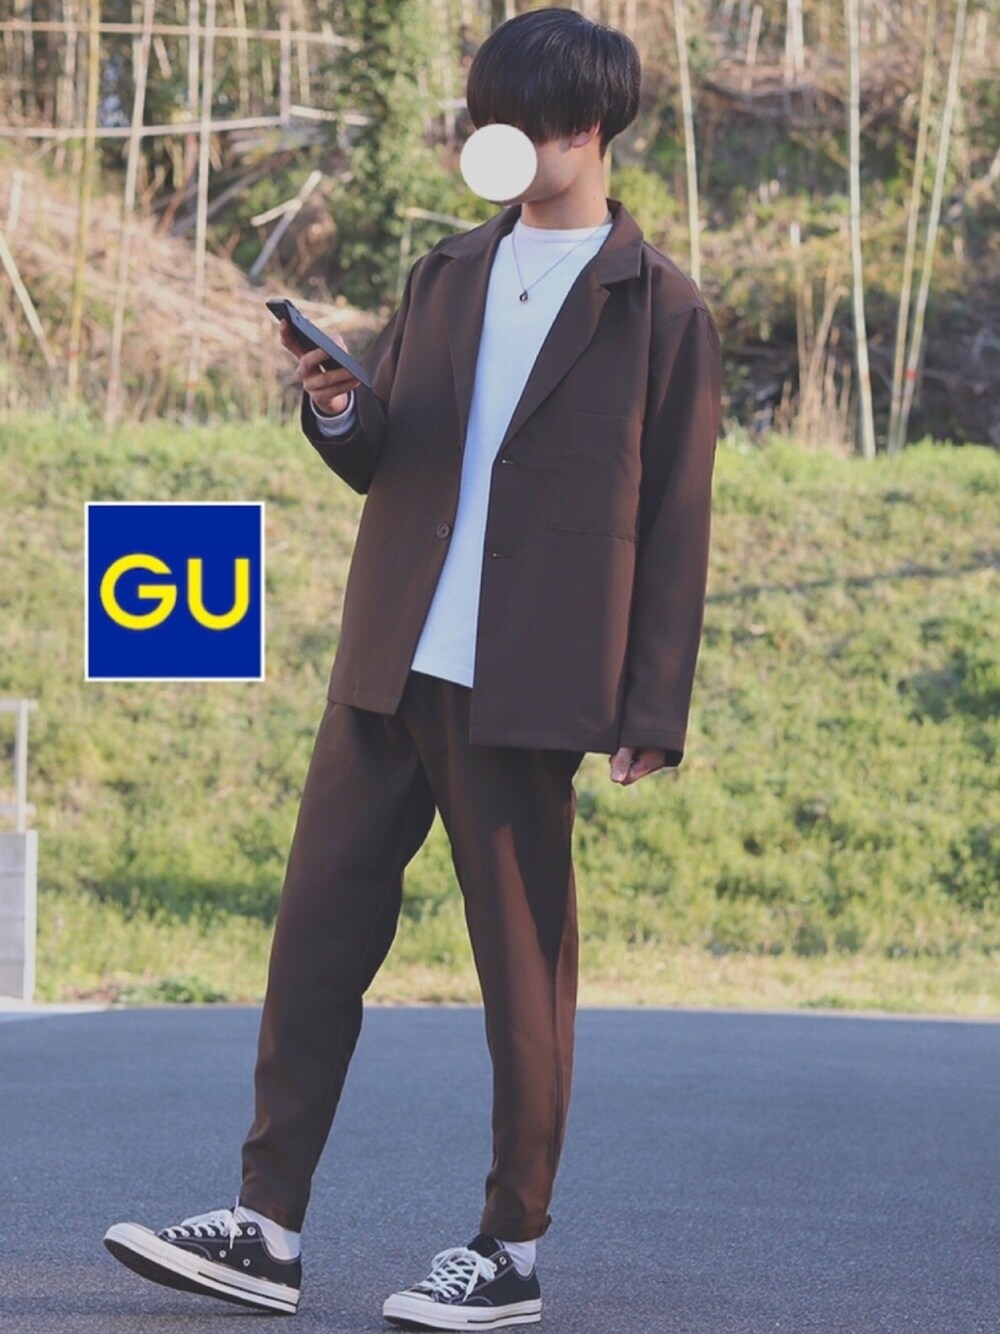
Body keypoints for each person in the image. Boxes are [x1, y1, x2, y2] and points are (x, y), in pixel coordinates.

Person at [102, 7, 722, 1329]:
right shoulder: (448, 272)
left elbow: (678, 518)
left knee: (522, 983)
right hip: (390, 657)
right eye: (482, 116)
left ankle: (510, 1249)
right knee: (315, 938)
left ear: (584, 129)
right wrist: (340, 405)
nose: (491, 141)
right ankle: (265, 1226)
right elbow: (394, 449)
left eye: (516, 121)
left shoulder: (658, 305)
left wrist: (652, 703)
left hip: (527, 681)